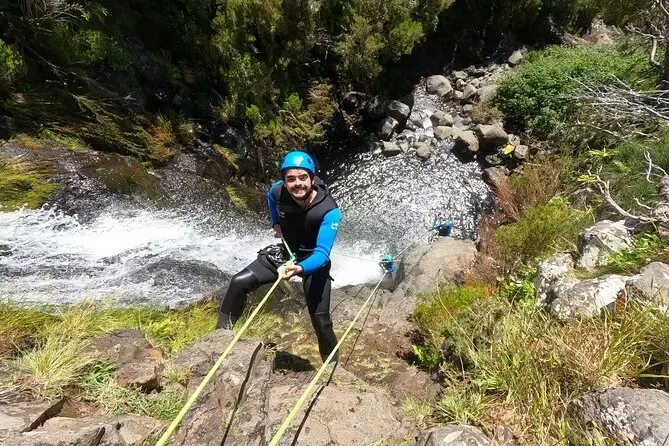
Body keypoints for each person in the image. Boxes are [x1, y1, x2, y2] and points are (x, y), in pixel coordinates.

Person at [216, 150, 342, 365]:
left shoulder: (329, 211)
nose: (297, 184)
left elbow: (321, 253)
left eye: (303, 178)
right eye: (290, 179)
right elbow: (270, 197)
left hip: (312, 260)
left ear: (312, 178)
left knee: (321, 321)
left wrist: (299, 269)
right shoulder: (277, 191)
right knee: (238, 282)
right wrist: (276, 222)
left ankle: (331, 366)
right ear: (284, 181)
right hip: (286, 251)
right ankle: (219, 340)